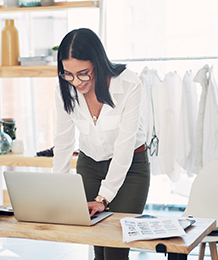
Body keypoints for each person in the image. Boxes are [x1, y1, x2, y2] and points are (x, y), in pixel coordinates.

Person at [53, 28, 150, 260]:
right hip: (89, 164)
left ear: (97, 62)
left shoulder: (129, 84)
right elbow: (64, 142)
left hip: (130, 168)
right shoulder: (64, 89)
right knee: (97, 243)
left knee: (115, 248)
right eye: (68, 74)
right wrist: (58, 191)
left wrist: (103, 198)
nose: (76, 81)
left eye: (83, 73)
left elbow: (125, 146)